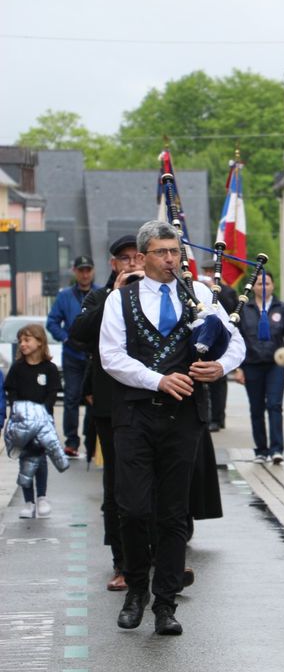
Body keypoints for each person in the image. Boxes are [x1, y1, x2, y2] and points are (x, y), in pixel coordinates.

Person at [99, 220, 244, 635]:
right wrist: (157, 379)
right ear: (142, 257)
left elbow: (237, 343)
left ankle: (165, 605)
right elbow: (111, 357)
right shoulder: (119, 301)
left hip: (183, 418)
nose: (170, 260)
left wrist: (220, 367)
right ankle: (135, 591)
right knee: (134, 508)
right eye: (161, 252)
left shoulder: (199, 295)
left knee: (174, 512)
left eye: (175, 252)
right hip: (135, 415)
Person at [68, 234, 145, 590]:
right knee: (117, 487)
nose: (132, 264)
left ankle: (157, 558)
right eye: (124, 259)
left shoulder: (160, 296)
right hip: (111, 406)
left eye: (136, 257)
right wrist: (116, 294)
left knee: (155, 486)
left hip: (150, 401)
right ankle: (123, 563)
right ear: (114, 264)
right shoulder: (101, 297)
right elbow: (79, 334)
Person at [6, 324, 68, 519]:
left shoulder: (49, 368)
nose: (22, 344)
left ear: (40, 342)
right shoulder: (17, 368)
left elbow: (52, 393)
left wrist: (43, 411)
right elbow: (11, 391)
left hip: (42, 423)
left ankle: (41, 497)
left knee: (40, 459)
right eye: (20, 341)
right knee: (25, 459)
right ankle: (28, 501)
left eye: (27, 340)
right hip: (22, 423)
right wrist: (19, 410)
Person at [234, 272, 284, 463]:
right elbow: (236, 339)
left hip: (276, 365)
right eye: (259, 283)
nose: (263, 286)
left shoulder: (282, 309)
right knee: (256, 408)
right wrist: (238, 368)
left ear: (273, 286)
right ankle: (261, 450)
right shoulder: (244, 309)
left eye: (267, 283)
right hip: (251, 364)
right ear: (253, 287)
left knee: (274, 405)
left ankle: (277, 449)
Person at [47, 255, 100, 457]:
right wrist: (67, 338)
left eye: (88, 270)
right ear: (75, 272)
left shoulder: (100, 292)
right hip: (72, 355)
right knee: (71, 397)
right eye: (81, 270)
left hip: (93, 355)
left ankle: (90, 441)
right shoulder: (65, 296)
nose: (85, 274)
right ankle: (71, 440)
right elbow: (52, 322)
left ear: (92, 271)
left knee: (92, 399)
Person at [198, 259, 240, 432]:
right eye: (206, 271)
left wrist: (216, 290)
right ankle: (207, 416)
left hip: (221, 338)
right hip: (203, 337)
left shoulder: (228, 291)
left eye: (211, 271)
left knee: (218, 382)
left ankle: (218, 417)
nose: (208, 275)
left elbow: (230, 309)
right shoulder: (201, 290)